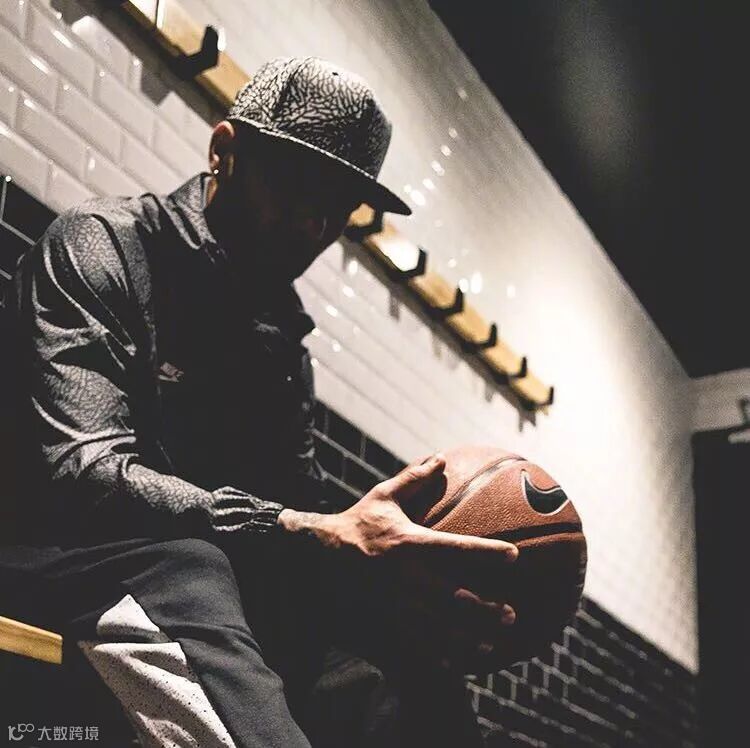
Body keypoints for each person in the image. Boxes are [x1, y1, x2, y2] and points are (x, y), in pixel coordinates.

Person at [0, 56, 518, 747]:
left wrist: (395, 590)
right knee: (189, 564)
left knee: (398, 657)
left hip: (201, 601)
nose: (316, 222)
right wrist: (296, 528)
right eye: (301, 185)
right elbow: (80, 475)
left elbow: (297, 519)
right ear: (225, 152)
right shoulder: (105, 248)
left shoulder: (280, 347)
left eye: (340, 206)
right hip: (47, 560)